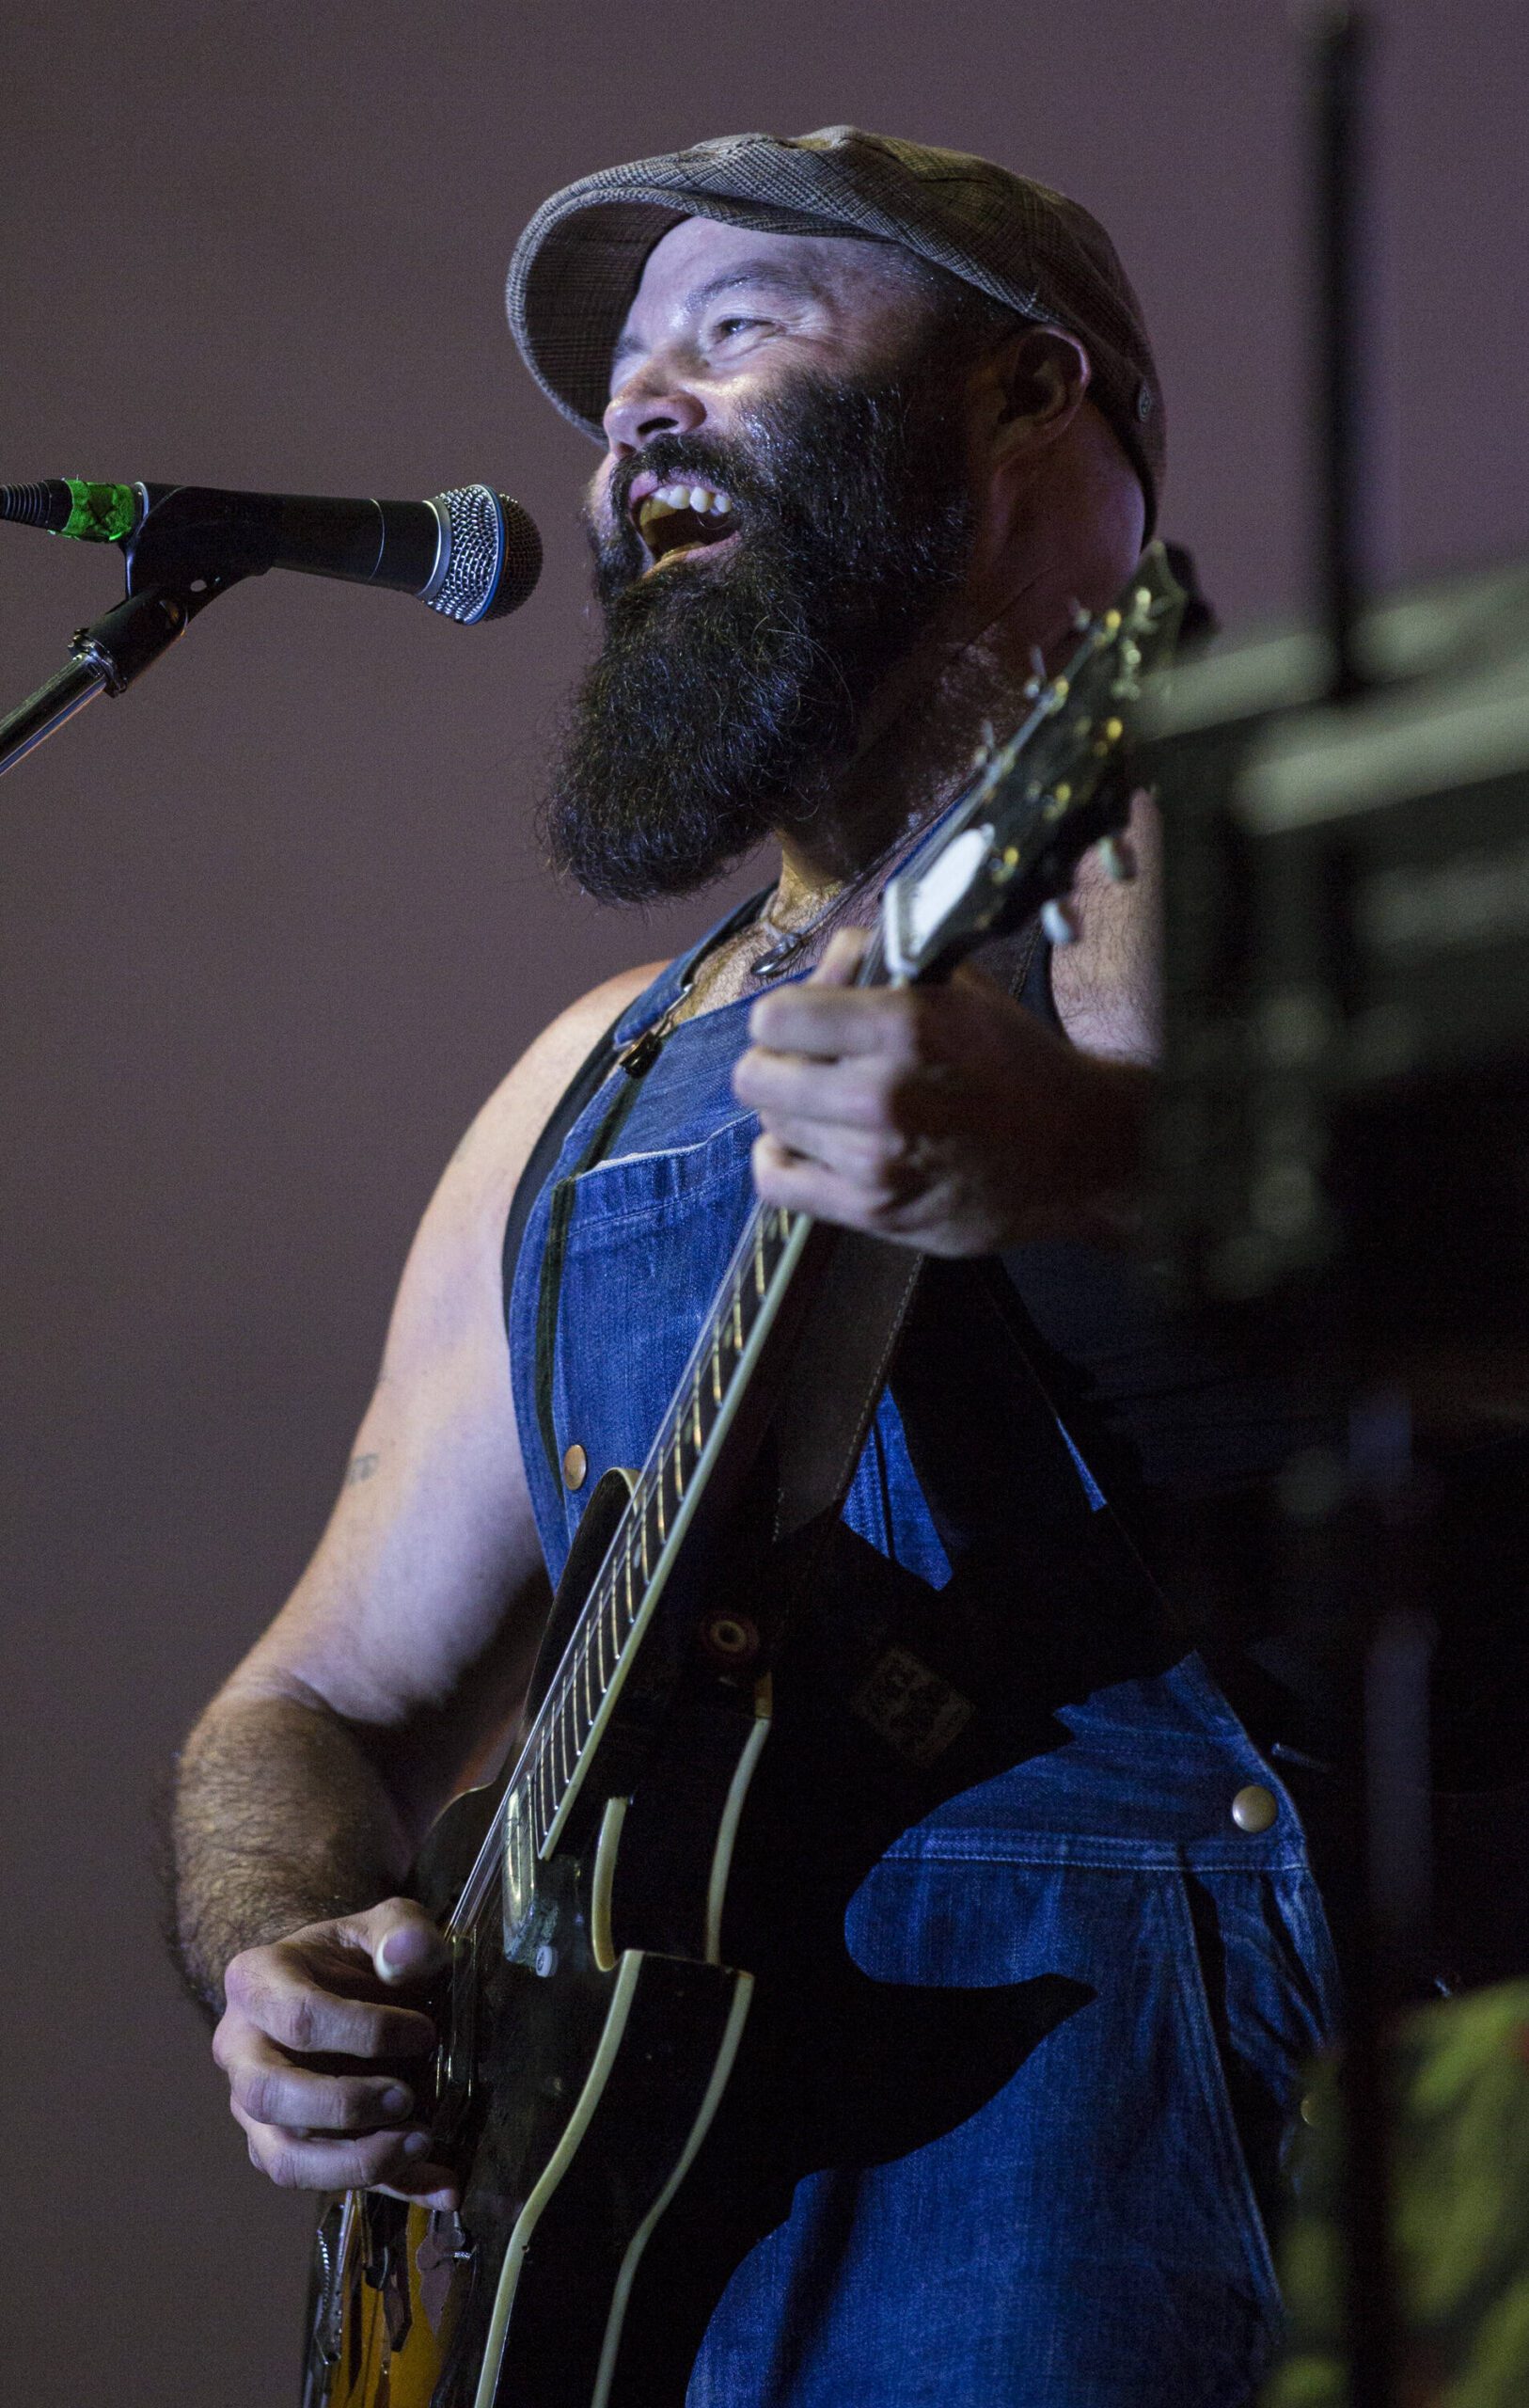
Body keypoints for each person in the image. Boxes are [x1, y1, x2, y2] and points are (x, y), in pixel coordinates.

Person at [171, 129, 1339, 2407]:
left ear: (1026, 396)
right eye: (620, 382)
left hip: (1106, 2152)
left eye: (739, 333)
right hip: (617, 2264)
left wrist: (1100, 1152)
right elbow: (309, 1701)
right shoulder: (583, 1079)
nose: (638, 416)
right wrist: (287, 1951)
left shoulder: (1203, 846)